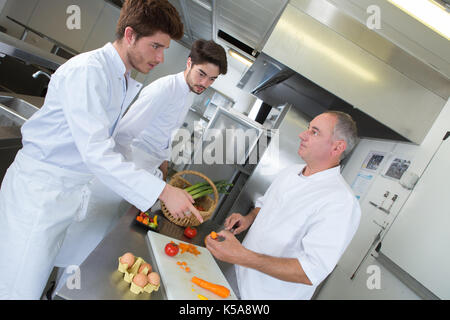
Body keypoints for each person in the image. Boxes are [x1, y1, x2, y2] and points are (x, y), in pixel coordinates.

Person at [0, 0, 201, 300]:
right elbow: (97, 152)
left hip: (67, 194)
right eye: (156, 46)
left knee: (41, 277)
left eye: (164, 50)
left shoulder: (120, 77)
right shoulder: (89, 72)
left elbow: (112, 145)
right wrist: (161, 191)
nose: (160, 58)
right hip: (39, 194)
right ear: (130, 35)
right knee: (17, 289)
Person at [53, 39, 228, 271]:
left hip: (141, 175)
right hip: (121, 176)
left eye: (212, 79)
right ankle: (62, 291)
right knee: (84, 248)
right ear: (189, 63)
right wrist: (141, 181)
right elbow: (124, 133)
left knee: (105, 242)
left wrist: (162, 165)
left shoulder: (187, 92)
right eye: (202, 74)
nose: (204, 83)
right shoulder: (164, 89)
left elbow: (164, 133)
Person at [205, 111, 361, 300]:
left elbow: (309, 271)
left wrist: (242, 256)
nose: (302, 135)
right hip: (238, 275)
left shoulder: (341, 202)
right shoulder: (291, 171)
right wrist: (248, 218)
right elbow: (264, 205)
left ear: (337, 148)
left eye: (315, 132)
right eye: (308, 128)